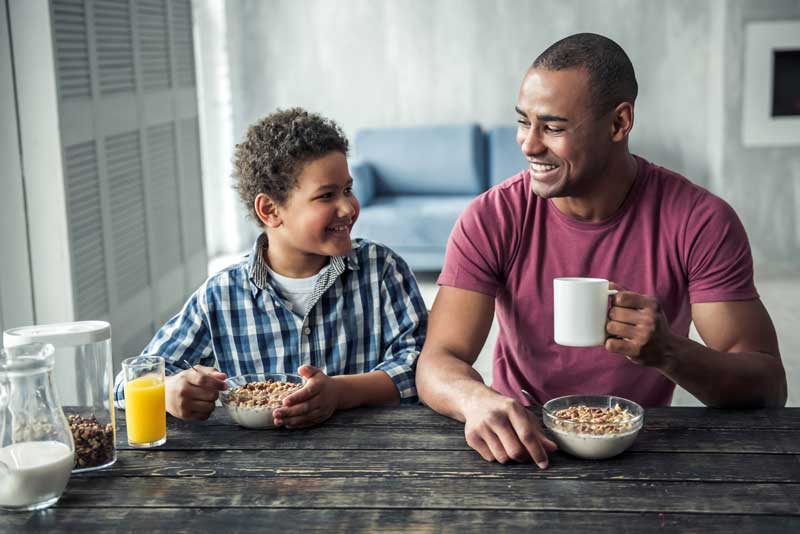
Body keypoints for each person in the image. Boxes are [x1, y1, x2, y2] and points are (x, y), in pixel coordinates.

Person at [415, 33, 786, 469]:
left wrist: (669, 352)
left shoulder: (700, 220)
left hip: (641, 448)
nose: (529, 144)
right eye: (524, 121)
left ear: (618, 123)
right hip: (522, 443)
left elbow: (767, 384)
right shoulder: (492, 217)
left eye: (552, 127)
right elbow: (437, 361)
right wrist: (475, 401)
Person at [114, 108, 428, 428]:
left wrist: (340, 392)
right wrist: (169, 391)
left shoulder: (383, 271)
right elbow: (126, 386)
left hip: (370, 456)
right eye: (326, 196)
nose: (348, 207)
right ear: (270, 210)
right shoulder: (220, 296)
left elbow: (421, 368)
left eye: (348, 190)